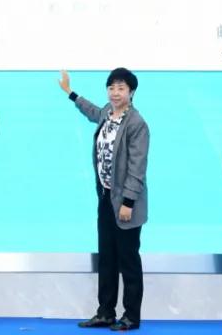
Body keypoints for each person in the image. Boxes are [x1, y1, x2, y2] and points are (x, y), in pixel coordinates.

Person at [59, 68, 149, 332]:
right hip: (106, 197)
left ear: (131, 92)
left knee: (128, 260)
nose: (115, 93)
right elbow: (91, 110)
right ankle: (106, 312)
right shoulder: (107, 114)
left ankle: (131, 316)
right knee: (107, 258)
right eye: (111, 88)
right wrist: (70, 93)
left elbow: (137, 167)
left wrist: (128, 202)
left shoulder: (136, 123)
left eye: (121, 88)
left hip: (126, 203)